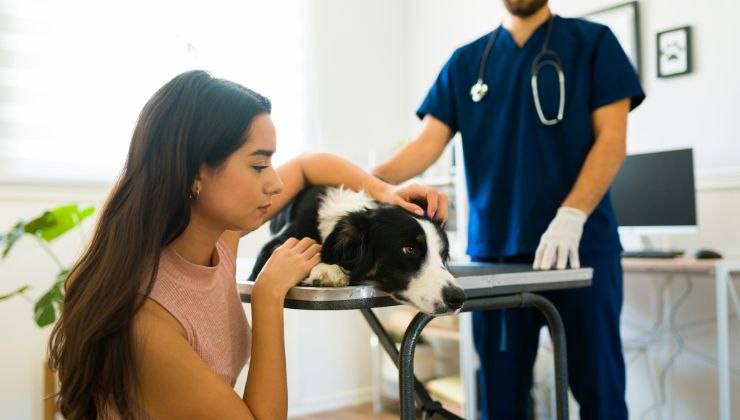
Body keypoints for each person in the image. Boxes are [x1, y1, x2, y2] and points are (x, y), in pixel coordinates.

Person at [48, 70, 443, 419]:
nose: (274, 183)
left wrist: (384, 191)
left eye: (271, 163)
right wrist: (268, 295)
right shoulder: (148, 319)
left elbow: (307, 167)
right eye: (258, 165)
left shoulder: (217, 241)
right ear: (194, 173)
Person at [373, 1, 645, 418]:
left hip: (581, 247)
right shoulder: (467, 63)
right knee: (501, 395)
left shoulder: (593, 44)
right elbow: (425, 145)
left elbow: (613, 140)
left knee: (600, 390)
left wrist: (572, 215)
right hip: (494, 255)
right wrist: (360, 183)